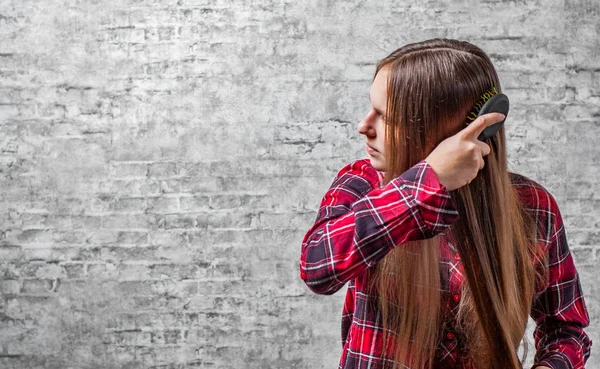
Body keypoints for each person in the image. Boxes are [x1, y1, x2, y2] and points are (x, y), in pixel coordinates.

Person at [298, 38, 592, 369]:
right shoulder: (362, 185)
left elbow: (566, 330)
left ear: (446, 129)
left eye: (386, 117)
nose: (363, 126)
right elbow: (317, 267)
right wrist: (430, 178)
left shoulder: (534, 207)